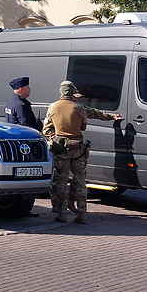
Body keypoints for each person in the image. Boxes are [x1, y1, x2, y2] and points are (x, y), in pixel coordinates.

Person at [42, 80, 122, 224]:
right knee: (79, 179)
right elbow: (89, 119)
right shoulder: (79, 108)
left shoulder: (52, 107)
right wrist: (112, 117)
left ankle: (62, 213)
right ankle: (82, 213)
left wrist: (55, 139)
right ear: (71, 92)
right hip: (78, 147)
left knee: (60, 180)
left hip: (61, 148)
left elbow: (46, 130)